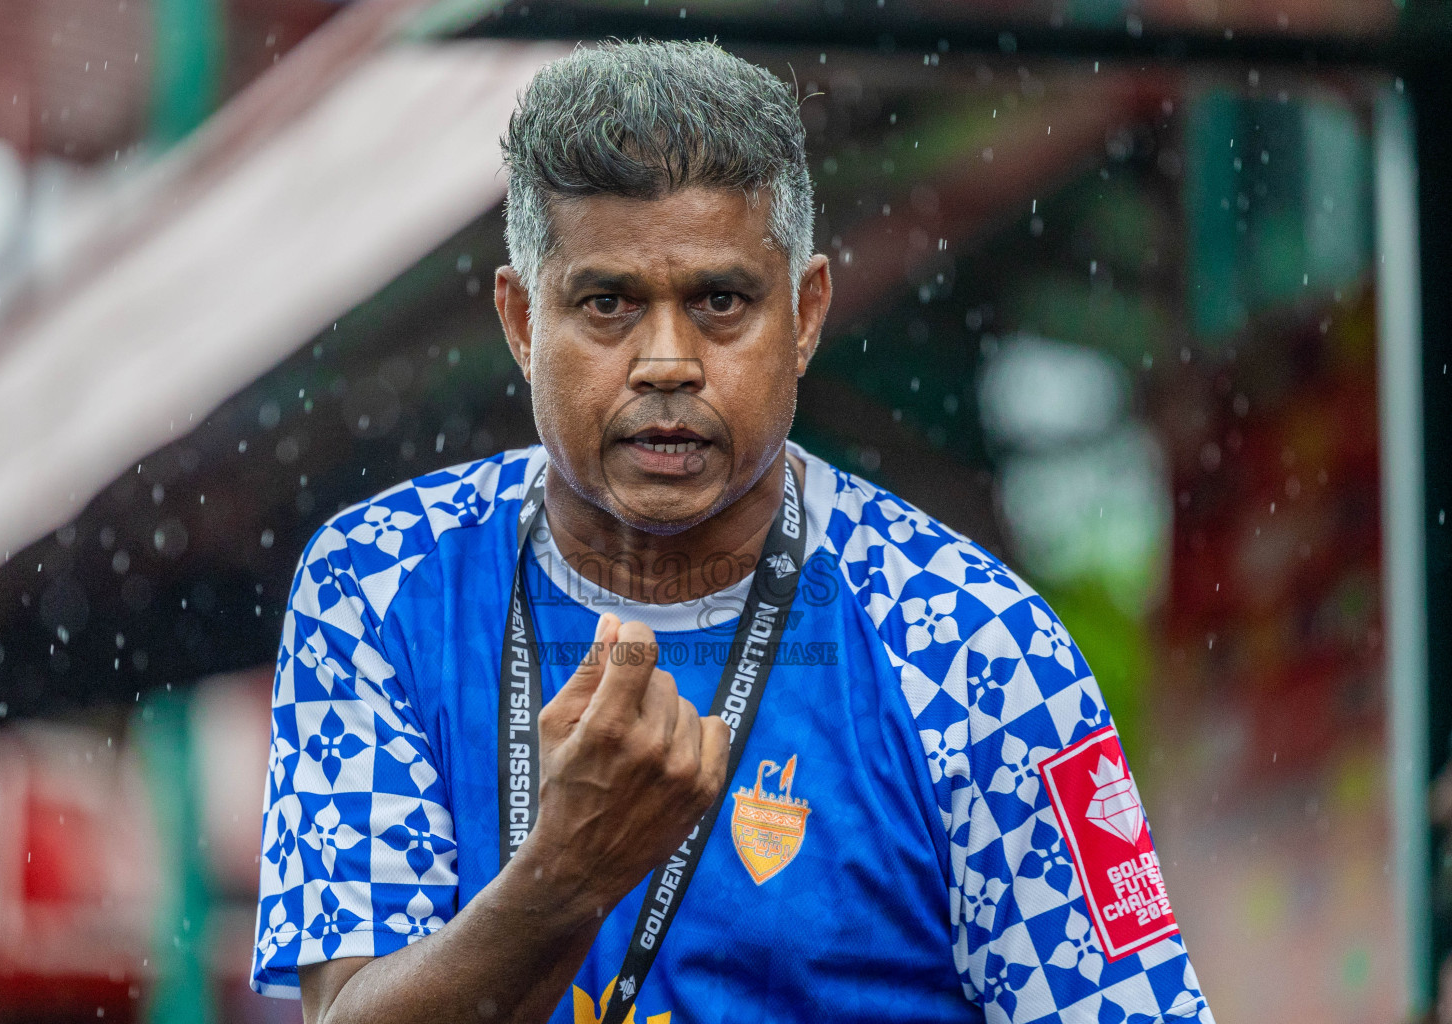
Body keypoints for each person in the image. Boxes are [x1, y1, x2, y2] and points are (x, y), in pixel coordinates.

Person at [251, 40, 1213, 1024]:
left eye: (720, 302)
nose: (667, 361)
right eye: (608, 303)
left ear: (804, 315)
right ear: (521, 319)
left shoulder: (977, 650)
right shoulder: (382, 589)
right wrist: (566, 872)